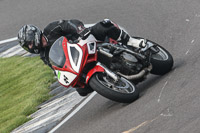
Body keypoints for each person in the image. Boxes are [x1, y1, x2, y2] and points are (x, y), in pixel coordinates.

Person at [17, 19, 146, 96]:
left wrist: (81, 31)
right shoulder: (44, 55)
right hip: (78, 59)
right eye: (27, 46)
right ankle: (111, 82)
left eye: (29, 43)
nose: (30, 46)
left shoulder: (51, 29)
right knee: (81, 90)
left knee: (103, 25)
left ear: (33, 35)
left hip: (84, 41)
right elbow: (55, 65)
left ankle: (132, 41)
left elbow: (69, 24)